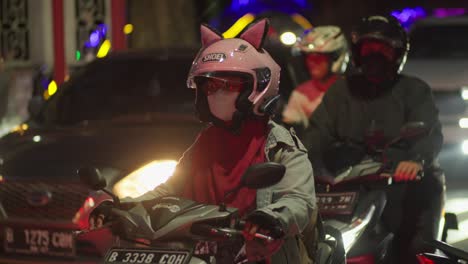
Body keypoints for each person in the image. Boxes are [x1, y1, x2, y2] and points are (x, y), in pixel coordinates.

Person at [90, 19, 316, 264]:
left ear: (259, 87)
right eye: (210, 86)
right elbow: (171, 190)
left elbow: (300, 202)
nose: (216, 93)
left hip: (261, 255)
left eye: (228, 85)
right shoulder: (207, 140)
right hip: (199, 253)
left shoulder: (279, 144)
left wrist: (271, 218)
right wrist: (123, 208)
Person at [302, 15, 444, 263]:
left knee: (416, 248)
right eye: (369, 49)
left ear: (398, 54)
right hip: (346, 183)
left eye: (383, 50)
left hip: (400, 184)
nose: (374, 56)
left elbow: (429, 135)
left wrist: (416, 161)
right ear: (357, 53)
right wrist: (306, 162)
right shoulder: (340, 91)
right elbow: (316, 134)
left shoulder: (415, 90)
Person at [282, 26, 348, 128]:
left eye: (318, 57)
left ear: (335, 57)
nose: (311, 63)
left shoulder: (351, 90)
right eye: (308, 57)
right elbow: (290, 129)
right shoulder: (301, 94)